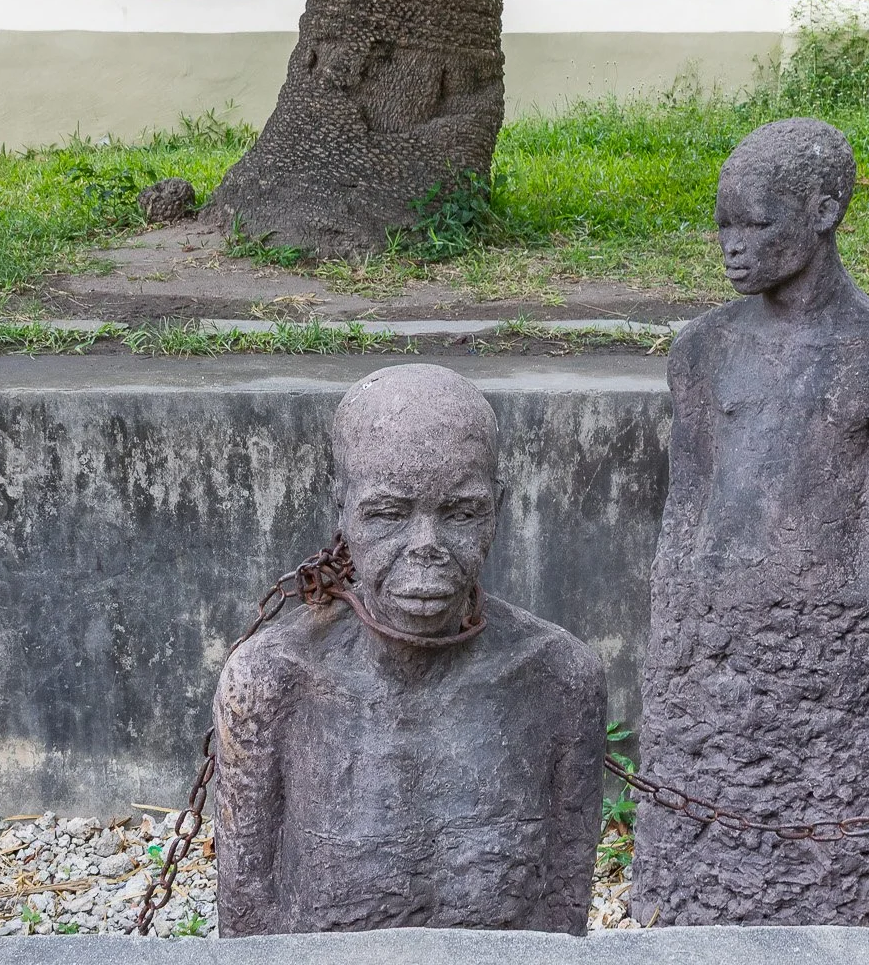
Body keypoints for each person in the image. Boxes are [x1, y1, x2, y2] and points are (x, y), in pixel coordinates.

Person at [631, 118, 869, 926]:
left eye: (756, 224)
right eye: (723, 226)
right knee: (697, 850)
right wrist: (681, 648)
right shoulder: (702, 351)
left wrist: (823, 671)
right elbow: (686, 514)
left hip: (825, 671)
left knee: (819, 858)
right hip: (708, 659)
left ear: (823, 210)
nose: (732, 247)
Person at [210, 364, 606, 935]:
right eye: (388, 515)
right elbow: (248, 926)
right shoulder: (273, 683)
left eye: (461, 513)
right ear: (340, 509)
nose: (427, 547)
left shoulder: (559, 679)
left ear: (497, 506)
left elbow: (563, 918)